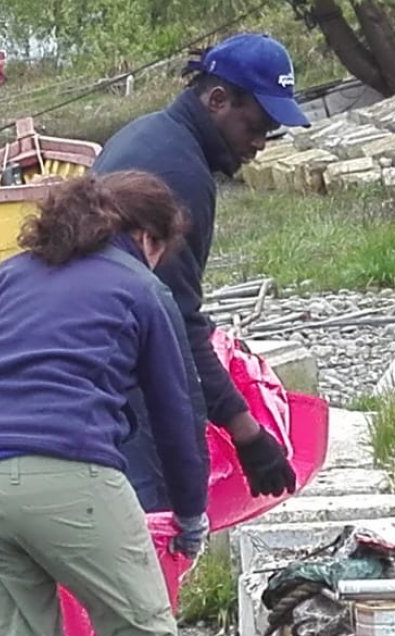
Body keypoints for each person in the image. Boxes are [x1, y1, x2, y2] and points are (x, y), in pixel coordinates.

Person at [0, 170, 210, 636]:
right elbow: (175, 413)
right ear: (146, 238)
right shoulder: (138, 286)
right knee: (140, 627)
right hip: (66, 474)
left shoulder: (4, 276)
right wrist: (190, 514)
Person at [89, 32, 310, 514]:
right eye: (257, 125)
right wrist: (247, 432)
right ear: (217, 100)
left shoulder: (146, 132)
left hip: (88, 361)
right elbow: (174, 322)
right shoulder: (179, 175)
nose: (260, 143)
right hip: (118, 373)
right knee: (155, 527)